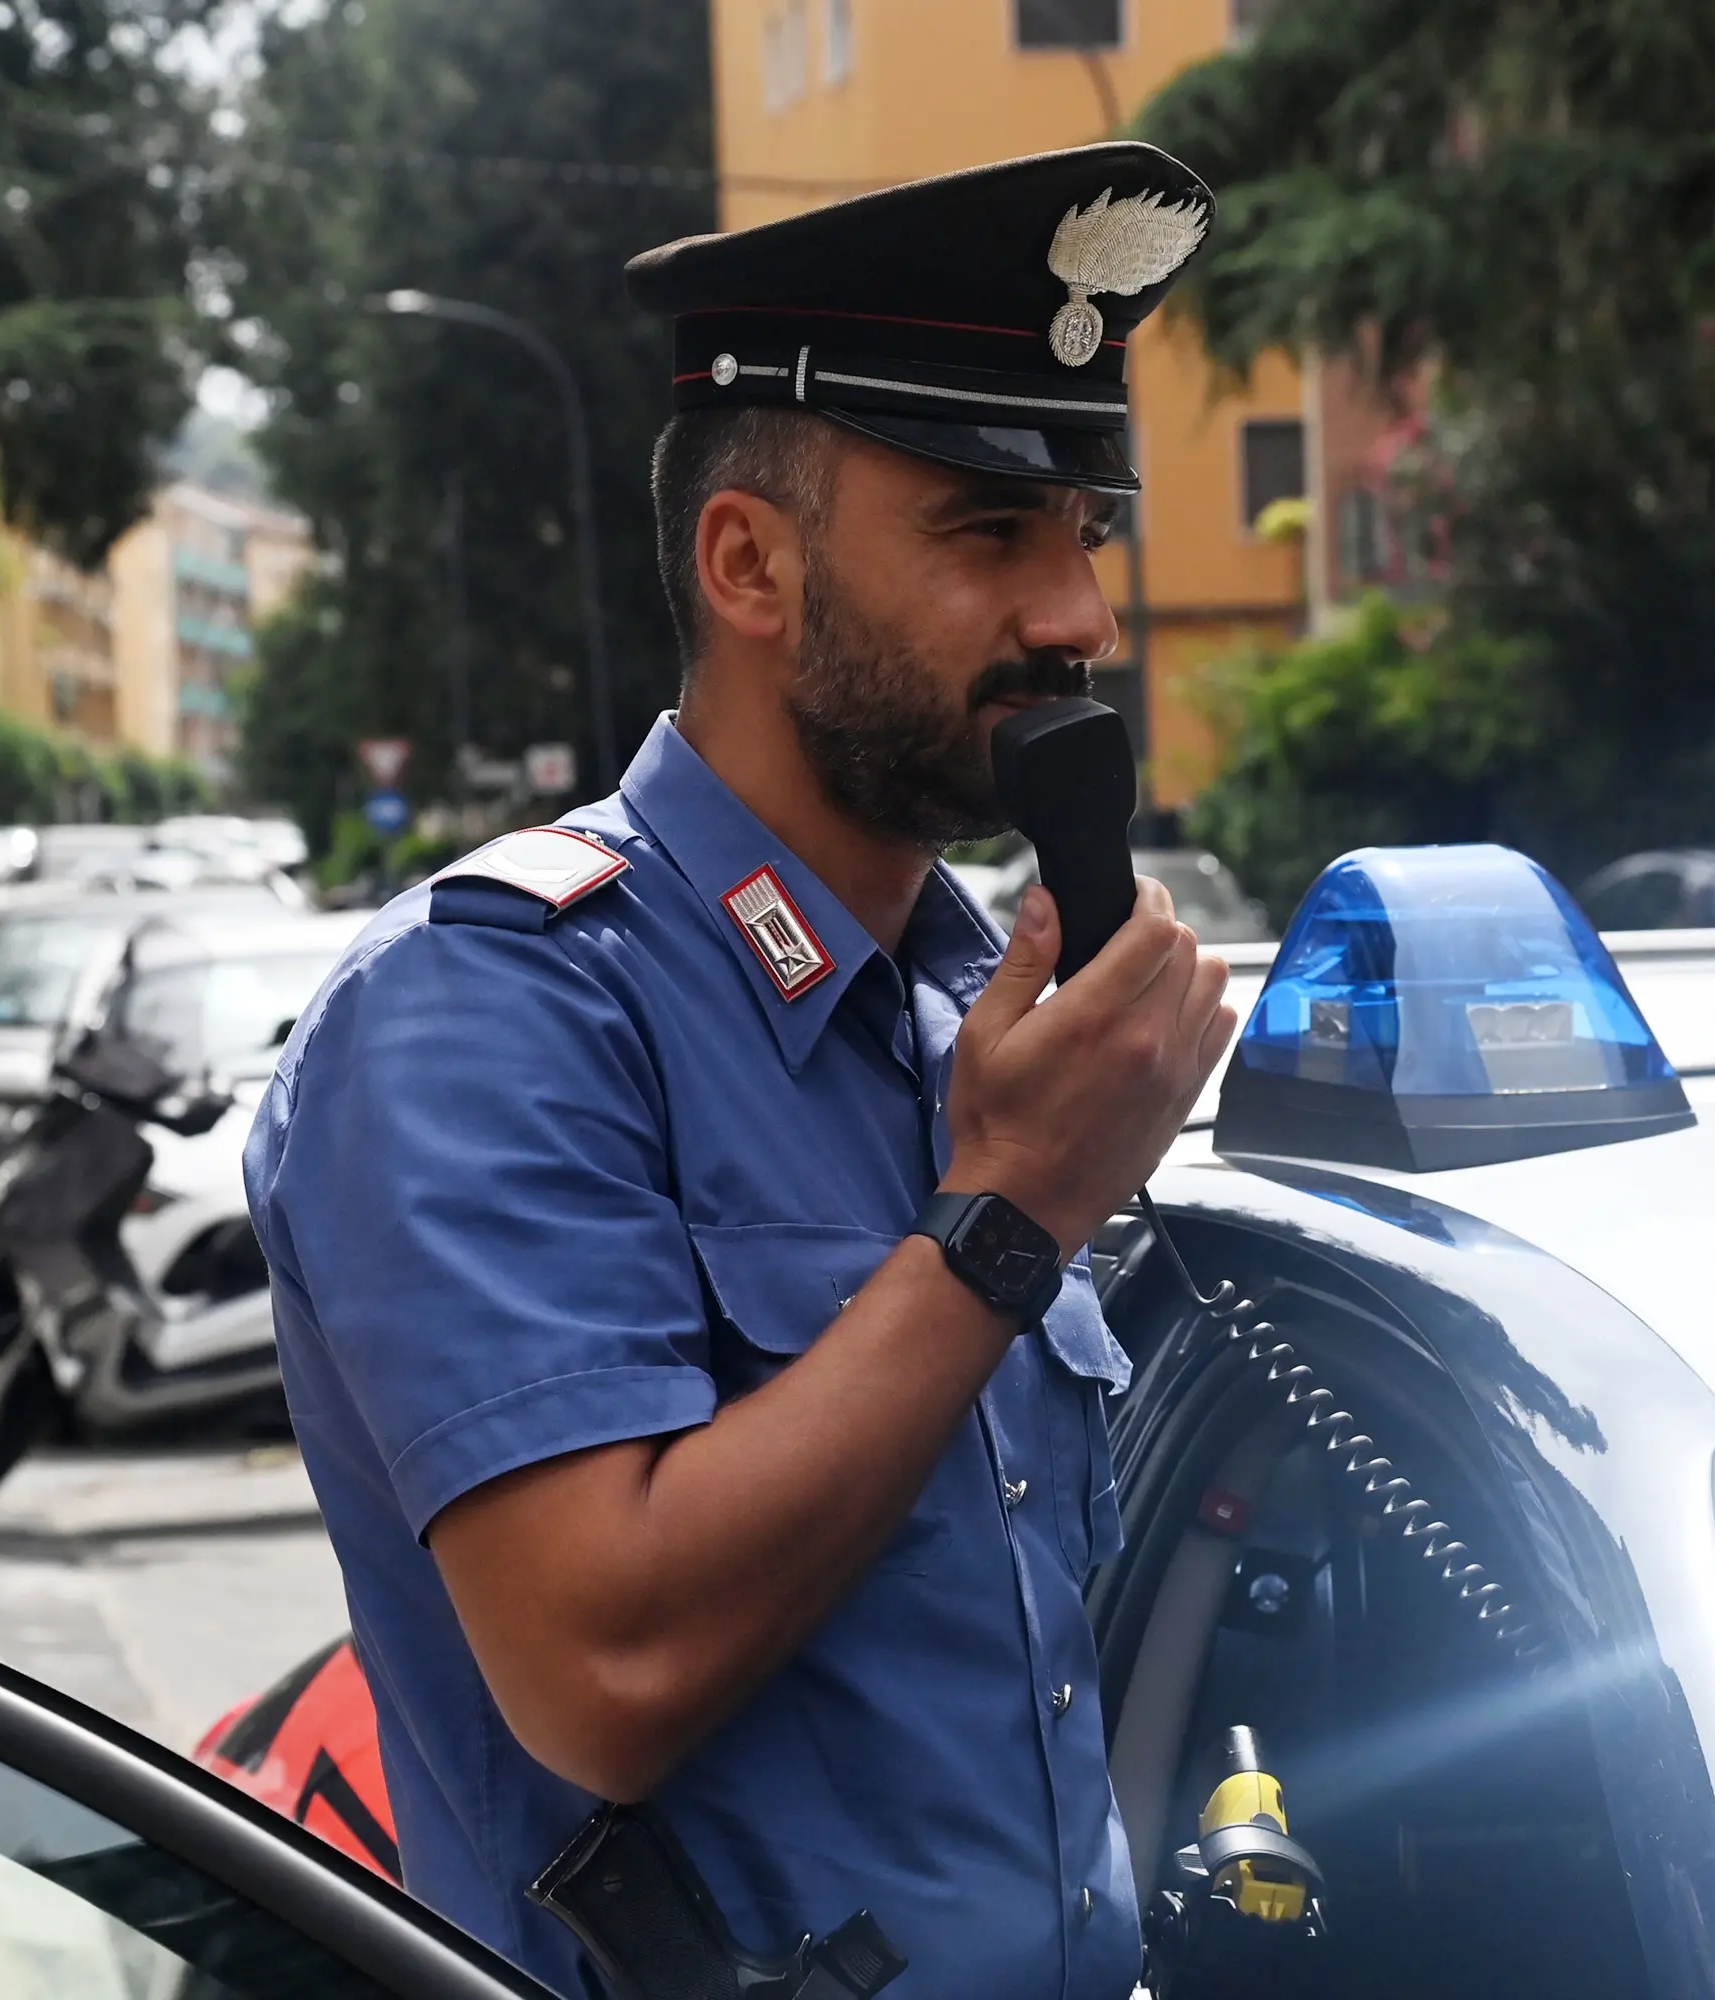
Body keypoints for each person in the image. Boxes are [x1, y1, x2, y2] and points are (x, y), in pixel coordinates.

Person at [247, 142, 1233, 2000]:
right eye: (985, 532)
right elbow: (601, 1676)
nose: (1076, 617)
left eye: (1082, 534)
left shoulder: (973, 1013)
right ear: (749, 563)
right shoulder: (490, 1016)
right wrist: (1010, 1211)